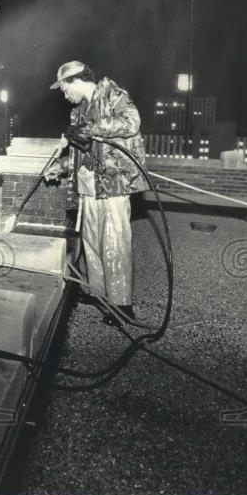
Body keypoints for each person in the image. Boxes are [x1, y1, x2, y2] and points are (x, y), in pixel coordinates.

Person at [44, 60, 149, 325]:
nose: (64, 95)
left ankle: (121, 305)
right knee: (91, 240)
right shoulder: (78, 111)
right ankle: (97, 292)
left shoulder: (113, 94)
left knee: (114, 240)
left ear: (76, 80)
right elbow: (83, 152)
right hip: (88, 184)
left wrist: (90, 129)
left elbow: (132, 122)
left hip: (113, 183)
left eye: (65, 88)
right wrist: (62, 167)